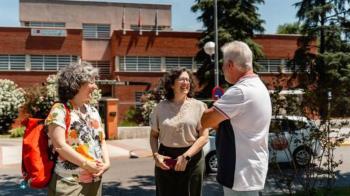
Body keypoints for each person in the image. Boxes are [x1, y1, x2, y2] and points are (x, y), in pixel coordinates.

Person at [201, 41, 272, 196]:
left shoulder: (240, 91)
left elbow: (206, 121)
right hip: (251, 171)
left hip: (239, 175)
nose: (222, 69)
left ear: (231, 65)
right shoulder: (259, 87)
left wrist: (212, 111)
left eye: (223, 65)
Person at [45, 62, 110, 196]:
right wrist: (87, 164)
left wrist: (107, 163)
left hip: (95, 180)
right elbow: (60, 146)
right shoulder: (60, 110)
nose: (95, 86)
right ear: (77, 84)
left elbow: (101, 140)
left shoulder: (93, 111)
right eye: (91, 82)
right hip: (70, 183)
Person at [149, 68, 209, 196]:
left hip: (192, 158)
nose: (186, 82)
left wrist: (186, 156)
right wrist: (156, 155)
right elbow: (154, 136)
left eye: (188, 80)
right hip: (165, 159)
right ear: (171, 84)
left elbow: (204, 137)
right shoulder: (160, 108)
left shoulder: (199, 106)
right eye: (182, 79)